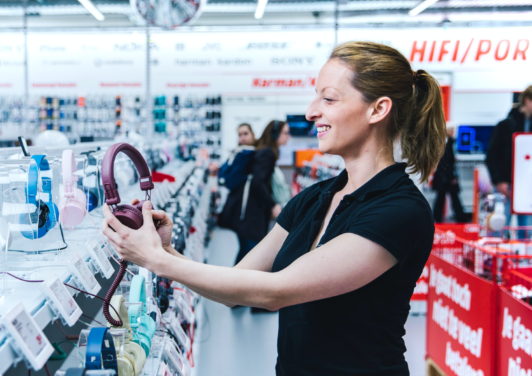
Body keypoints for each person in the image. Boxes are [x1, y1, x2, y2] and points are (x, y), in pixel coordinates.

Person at [102, 41, 445, 375]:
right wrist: (167, 251)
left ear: (378, 109)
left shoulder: (399, 210)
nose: (311, 111)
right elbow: (238, 288)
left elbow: (275, 291)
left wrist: (154, 259)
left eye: (328, 98)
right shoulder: (315, 198)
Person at [218, 120, 289, 266]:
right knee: (252, 253)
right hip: (251, 214)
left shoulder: (262, 150)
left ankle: (232, 284)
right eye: (286, 133)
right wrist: (272, 205)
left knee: (245, 251)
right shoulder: (267, 153)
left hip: (243, 211)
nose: (288, 136)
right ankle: (236, 284)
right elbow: (258, 182)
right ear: (275, 134)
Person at [486, 86, 532, 228]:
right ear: (528, 100)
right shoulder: (505, 125)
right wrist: (499, 181)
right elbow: (491, 155)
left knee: (526, 232)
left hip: (527, 188)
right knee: (498, 227)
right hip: (506, 186)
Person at [432, 123, 470, 223]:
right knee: (452, 197)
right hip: (445, 178)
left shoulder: (445, 143)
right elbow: (446, 163)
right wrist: (452, 177)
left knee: (443, 198)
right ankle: (460, 217)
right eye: (451, 130)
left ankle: (438, 218)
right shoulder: (446, 144)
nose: (453, 132)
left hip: (443, 177)